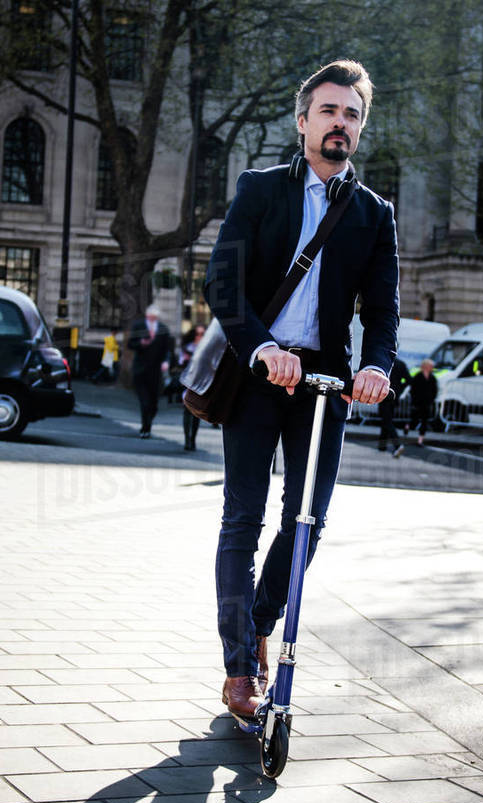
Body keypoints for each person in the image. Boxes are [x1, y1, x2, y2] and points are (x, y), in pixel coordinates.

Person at [203, 59, 398, 721]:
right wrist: (259, 345)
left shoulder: (373, 213)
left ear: (359, 128)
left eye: (351, 114)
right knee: (242, 520)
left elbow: (383, 310)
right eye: (329, 111)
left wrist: (377, 366)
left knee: (306, 524)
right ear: (303, 120)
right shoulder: (260, 190)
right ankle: (238, 669)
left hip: (324, 383)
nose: (339, 123)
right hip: (258, 370)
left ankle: (259, 619)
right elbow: (222, 284)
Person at [127, 304, 173, 439]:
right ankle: (145, 427)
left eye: (155, 318)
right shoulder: (138, 326)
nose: (152, 320)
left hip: (155, 371)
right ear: (147, 316)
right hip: (140, 369)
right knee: (144, 401)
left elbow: (167, 349)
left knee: (153, 402)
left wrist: (166, 361)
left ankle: (148, 422)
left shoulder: (163, 329)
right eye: (150, 318)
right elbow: (130, 344)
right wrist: (141, 343)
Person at [181, 325, 207, 451]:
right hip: (187, 382)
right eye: (198, 334)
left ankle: (192, 440)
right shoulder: (187, 347)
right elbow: (180, 362)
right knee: (187, 410)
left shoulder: (207, 347)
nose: (200, 337)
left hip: (201, 383)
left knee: (196, 412)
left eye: (202, 334)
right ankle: (187, 439)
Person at [379, 357, 410, 454]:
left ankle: (397, 445)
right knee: (386, 420)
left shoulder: (384, 362)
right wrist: (400, 388)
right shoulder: (401, 364)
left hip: (384, 394)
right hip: (394, 395)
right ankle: (382, 446)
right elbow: (409, 379)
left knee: (387, 421)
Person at [407, 358, 437, 446]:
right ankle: (407, 426)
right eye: (430, 366)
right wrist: (414, 400)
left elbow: (434, 390)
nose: (432, 367)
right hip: (417, 402)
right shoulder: (418, 376)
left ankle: (420, 440)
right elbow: (413, 390)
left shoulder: (432, 377)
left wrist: (432, 399)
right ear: (425, 366)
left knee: (424, 421)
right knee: (415, 420)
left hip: (427, 403)